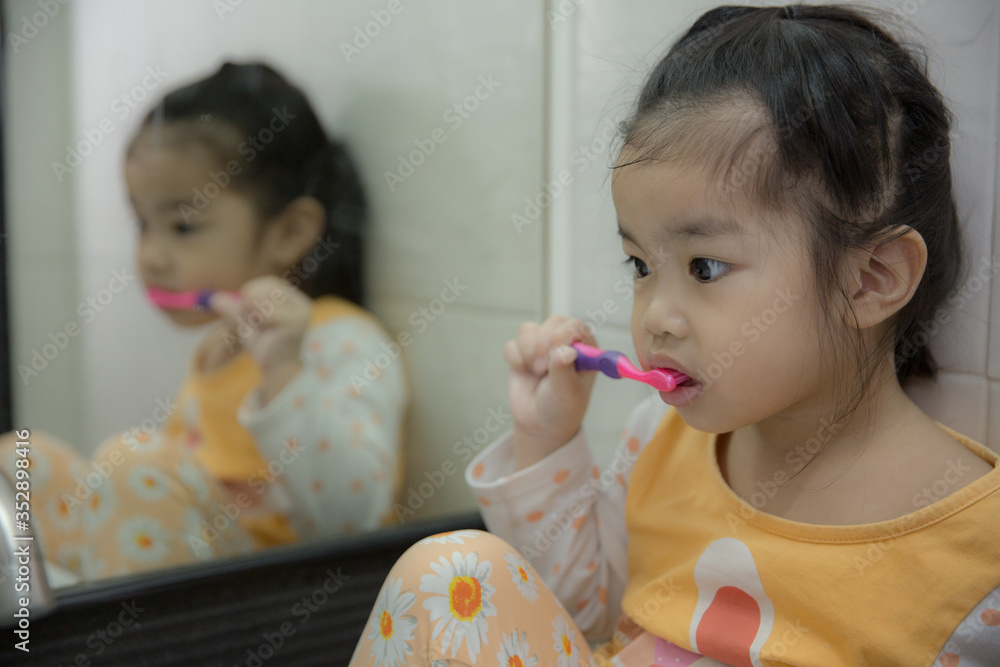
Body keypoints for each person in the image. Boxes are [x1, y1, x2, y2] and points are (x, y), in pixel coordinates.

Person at [347, 5, 999, 666]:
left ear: (871, 279)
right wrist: (546, 440)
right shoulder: (658, 438)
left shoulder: (978, 550)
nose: (655, 314)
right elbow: (578, 618)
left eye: (705, 267)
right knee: (452, 572)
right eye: (641, 265)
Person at [0, 62, 408, 580]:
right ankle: (45, 627)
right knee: (20, 461)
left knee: (136, 465)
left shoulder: (342, 338)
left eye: (183, 225)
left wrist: (283, 372)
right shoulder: (219, 347)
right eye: (142, 223)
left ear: (291, 231)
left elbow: (356, 521)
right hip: (200, 582)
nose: (150, 257)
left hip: (286, 603)